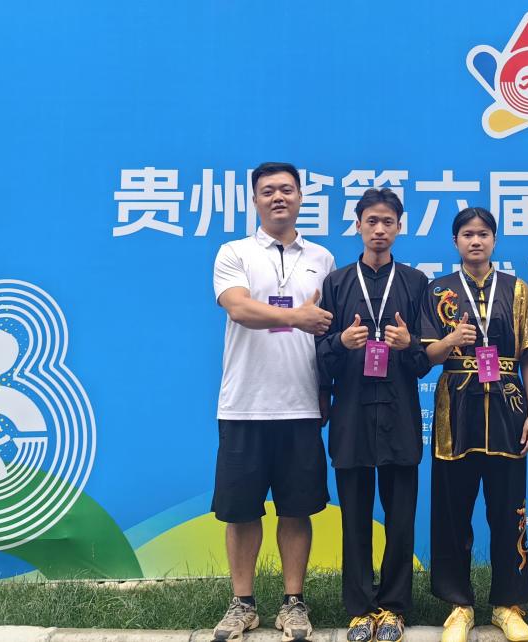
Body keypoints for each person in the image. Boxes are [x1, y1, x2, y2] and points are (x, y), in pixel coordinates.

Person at [210, 162, 336, 642]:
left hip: (301, 403)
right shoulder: (234, 252)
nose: (278, 197)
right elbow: (238, 307)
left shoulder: (322, 258)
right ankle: (242, 604)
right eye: (268, 191)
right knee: (241, 510)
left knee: (296, 509)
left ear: (300, 197)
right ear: (255, 200)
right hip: (244, 403)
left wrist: (326, 389)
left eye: (286, 189)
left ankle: (293, 602)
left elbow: (326, 331)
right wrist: (296, 318)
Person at [315, 187, 430, 642]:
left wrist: (409, 344)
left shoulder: (416, 283)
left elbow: (424, 360)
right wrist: (340, 343)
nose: (379, 229)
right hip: (352, 416)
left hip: (399, 414)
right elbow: (319, 353)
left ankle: (395, 608)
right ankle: (361, 609)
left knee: (400, 519)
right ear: (358, 225)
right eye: (371, 221)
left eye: (388, 222)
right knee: (355, 518)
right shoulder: (337, 283)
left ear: (400, 227)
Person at [421, 208, 528, 642]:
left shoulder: (517, 290)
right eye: (467, 234)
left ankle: (508, 605)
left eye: (484, 234)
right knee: (453, 512)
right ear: (455, 241)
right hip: (456, 411)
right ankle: (459, 605)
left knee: (509, 511)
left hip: (508, 408)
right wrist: (451, 341)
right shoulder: (438, 290)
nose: (476, 241)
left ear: (494, 240)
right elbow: (425, 356)